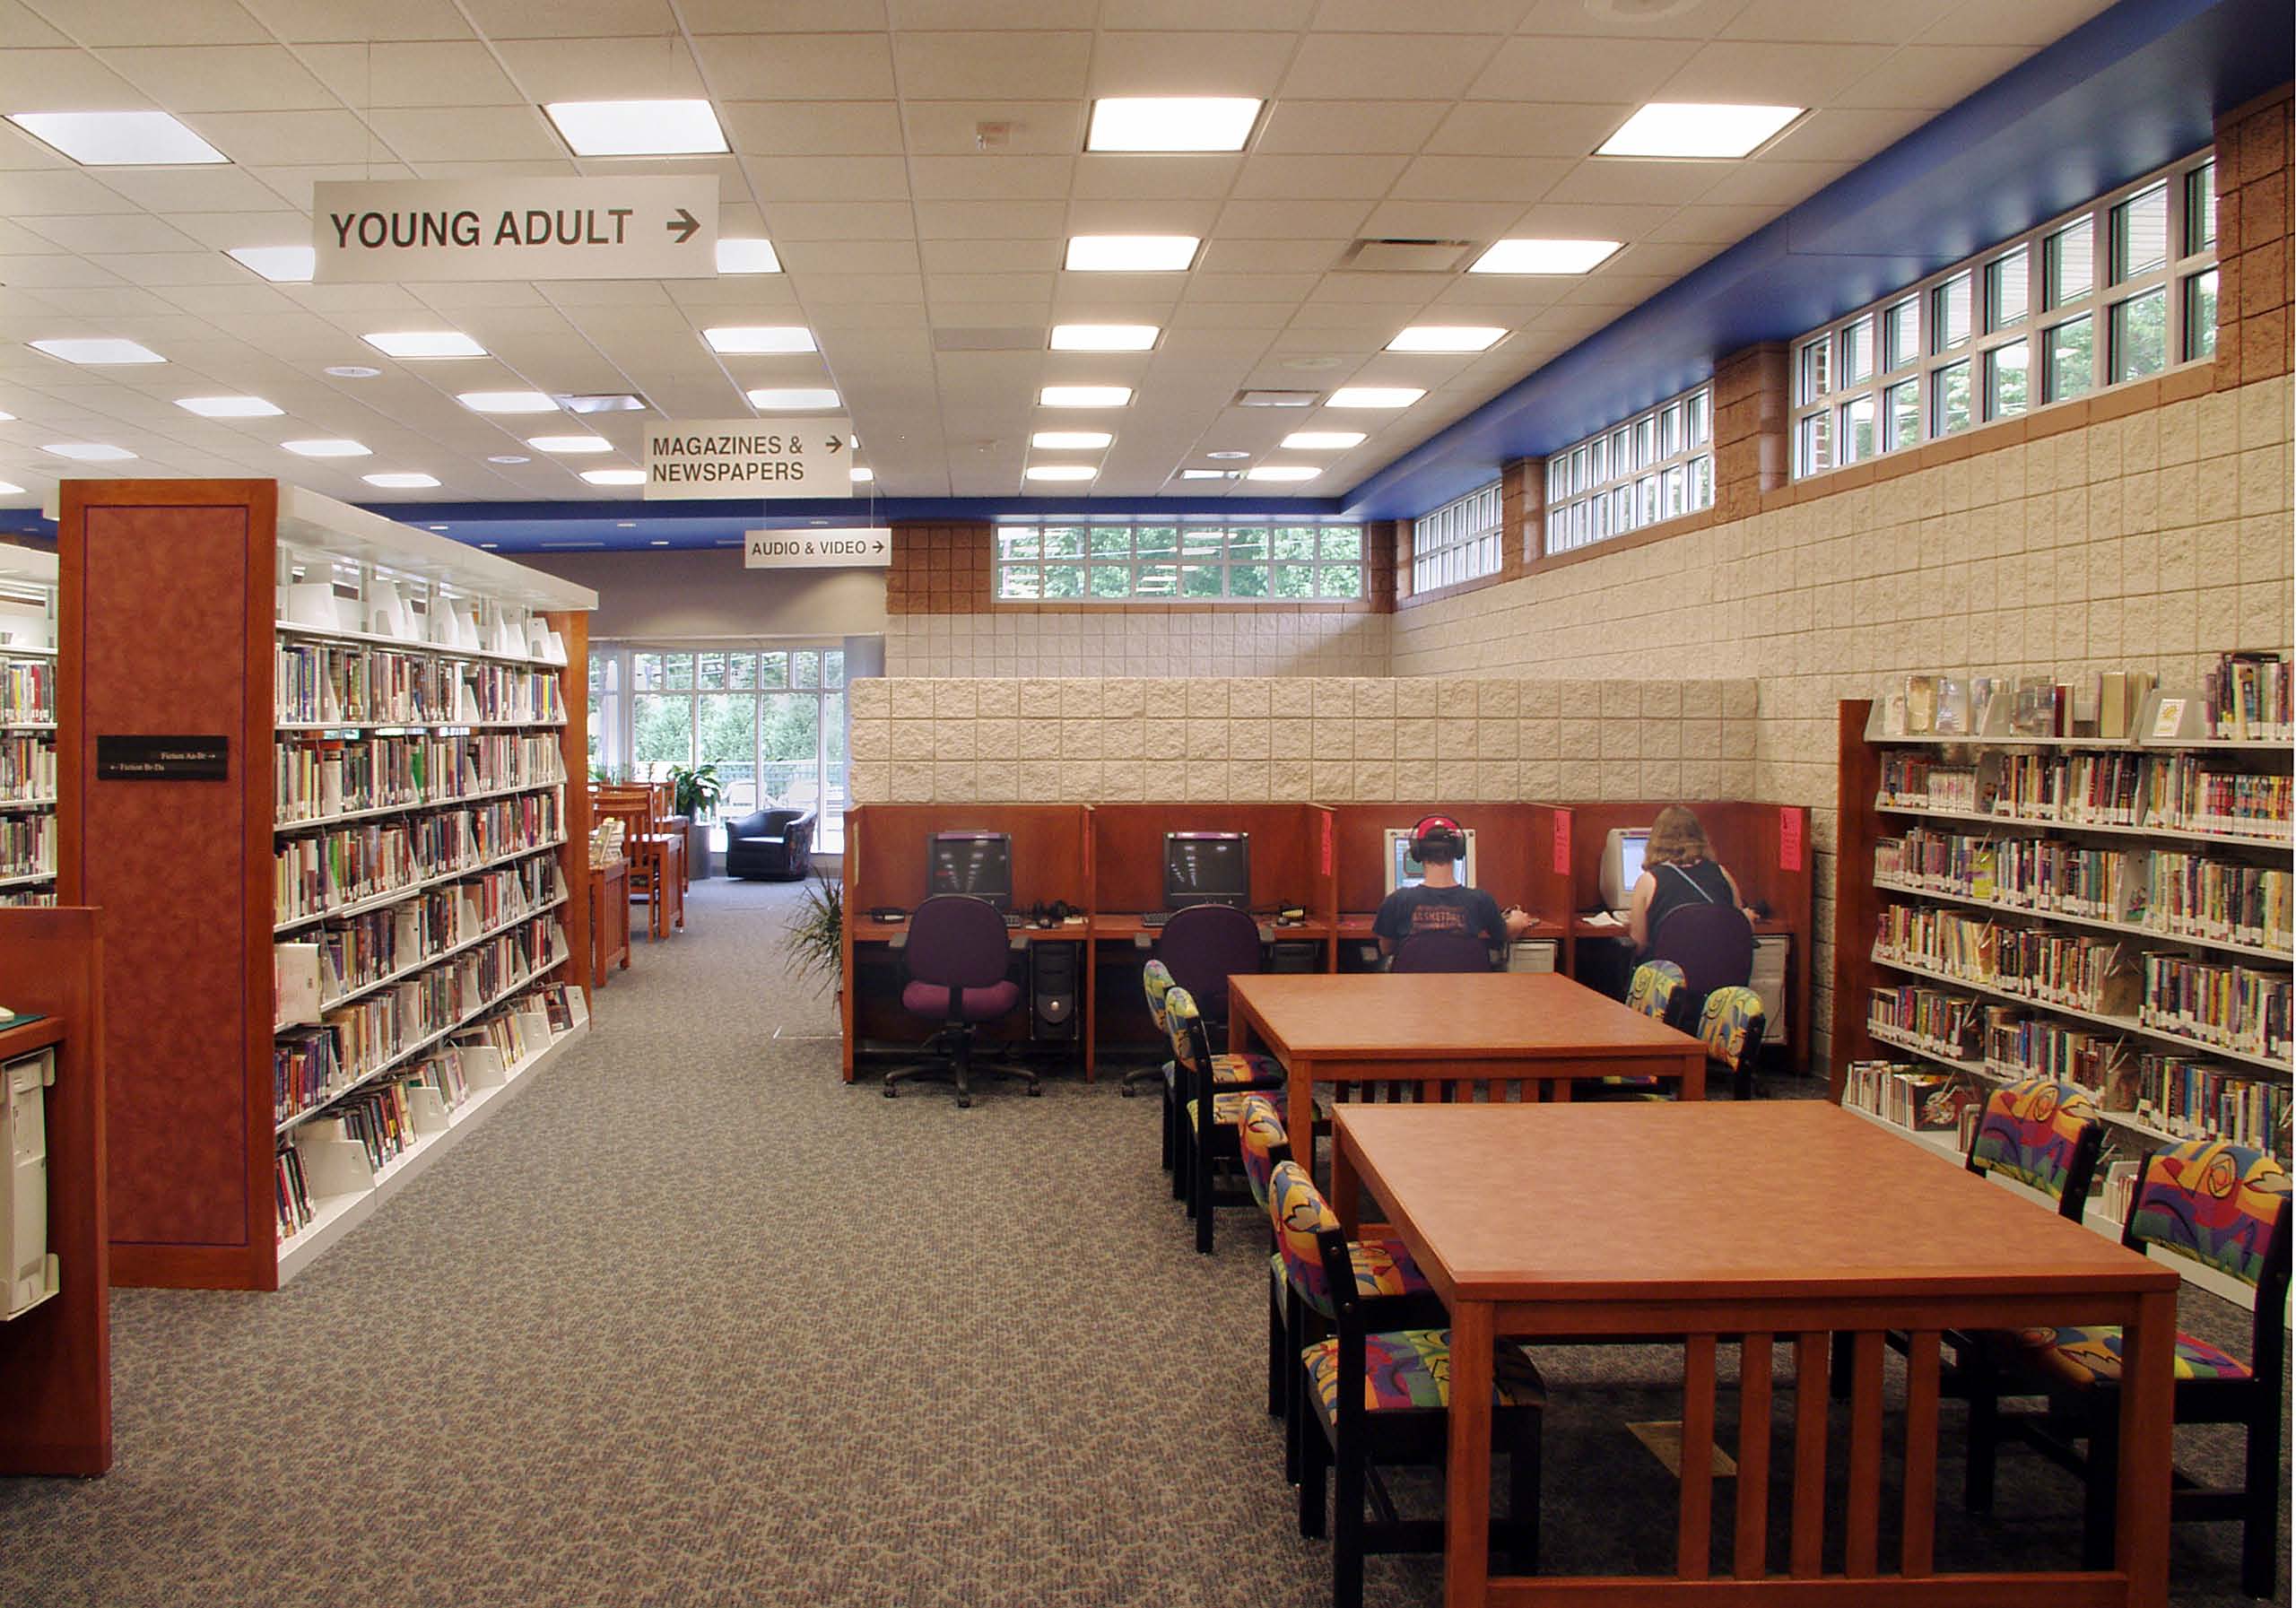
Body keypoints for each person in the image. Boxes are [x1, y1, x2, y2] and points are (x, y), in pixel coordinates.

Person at [1371, 814, 1534, 959]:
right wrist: (1518, 920)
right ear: (1459, 850)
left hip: (1413, 984)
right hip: (1467, 984)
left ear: (1416, 852)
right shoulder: (1481, 900)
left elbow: (1387, 949)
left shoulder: (1396, 901)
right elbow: (1505, 934)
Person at [1627, 804, 1752, 954]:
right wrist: (1749, 919)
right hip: (1720, 968)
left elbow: (1639, 944)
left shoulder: (1648, 881)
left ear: (1656, 840)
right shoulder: (1722, 873)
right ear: (1699, 837)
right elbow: (1738, 924)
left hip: (1670, 969)